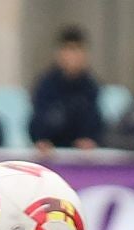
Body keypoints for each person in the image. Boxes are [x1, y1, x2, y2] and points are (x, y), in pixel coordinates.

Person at [29, 25, 103, 153]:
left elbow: (95, 120)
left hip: (81, 155)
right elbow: (38, 118)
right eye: (68, 50)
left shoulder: (91, 87)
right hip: (50, 152)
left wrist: (90, 139)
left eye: (77, 50)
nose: (72, 56)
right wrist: (40, 139)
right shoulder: (45, 85)